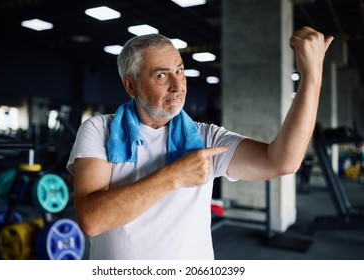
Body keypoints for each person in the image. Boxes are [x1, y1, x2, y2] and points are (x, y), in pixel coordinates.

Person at [66, 26, 333, 260]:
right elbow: (92, 219)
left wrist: (312, 78)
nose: (177, 85)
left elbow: (282, 161)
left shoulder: (205, 138)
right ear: (131, 86)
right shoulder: (99, 130)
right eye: (161, 75)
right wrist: (174, 176)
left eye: (179, 71)